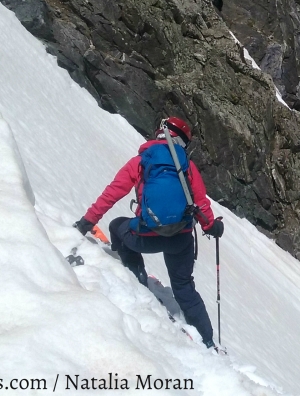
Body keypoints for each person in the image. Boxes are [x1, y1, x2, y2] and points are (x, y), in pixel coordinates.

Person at [74, 116, 224, 348]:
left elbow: (112, 193)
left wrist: (87, 222)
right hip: (181, 240)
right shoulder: (187, 166)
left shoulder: (141, 161)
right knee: (184, 286)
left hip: (145, 237)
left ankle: (137, 279)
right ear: (182, 141)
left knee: (116, 226)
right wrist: (211, 226)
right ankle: (208, 341)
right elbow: (201, 203)